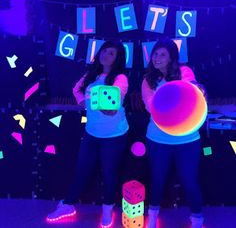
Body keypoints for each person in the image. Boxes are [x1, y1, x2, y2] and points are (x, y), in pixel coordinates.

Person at [47, 40, 129, 228]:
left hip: (114, 136)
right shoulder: (90, 75)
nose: (106, 55)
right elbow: (76, 90)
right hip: (92, 134)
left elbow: (112, 105)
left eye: (111, 53)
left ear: (117, 59)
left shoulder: (121, 78)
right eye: (104, 51)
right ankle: (68, 205)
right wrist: (84, 101)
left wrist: (93, 99)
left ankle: (107, 209)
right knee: (81, 171)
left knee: (109, 174)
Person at [141, 38, 206, 228]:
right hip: (157, 139)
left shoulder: (184, 72)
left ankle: (197, 218)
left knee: (190, 181)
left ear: (171, 57)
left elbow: (192, 92)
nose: (157, 58)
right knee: (157, 178)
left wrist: (199, 90)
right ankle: (152, 215)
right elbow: (151, 107)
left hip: (187, 139)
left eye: (162, 54)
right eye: (155, 53)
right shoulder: (148, 79)